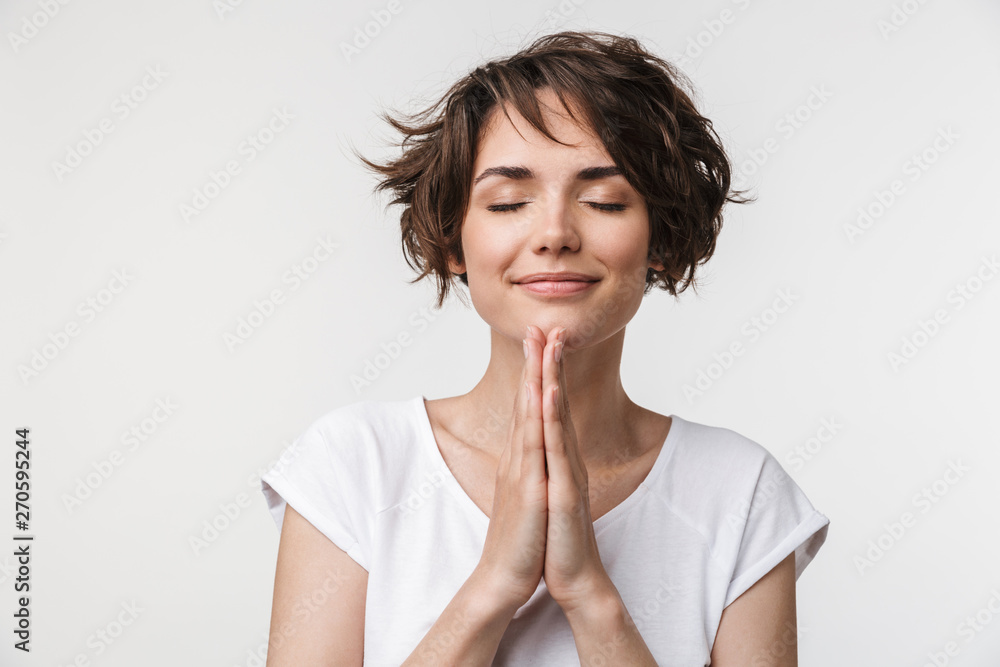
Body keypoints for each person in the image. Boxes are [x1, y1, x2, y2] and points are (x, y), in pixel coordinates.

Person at [260, 30, 830, 666]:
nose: (555, 232)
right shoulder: (353, 465)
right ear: (454, 244)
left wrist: (590, 593)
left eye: (604, 200)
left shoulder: (739, 491)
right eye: (508, 202)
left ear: (660, 241)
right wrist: (494, 584)